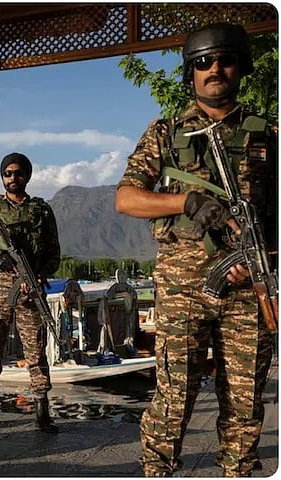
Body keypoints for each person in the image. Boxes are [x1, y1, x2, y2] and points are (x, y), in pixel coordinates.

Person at [115, 23, 277, 477]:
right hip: (182, 289)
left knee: (245, 404)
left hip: (248, 292)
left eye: (225, 60)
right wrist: (185, 201)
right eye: (203, 62)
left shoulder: (269, 135)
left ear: (240, 67)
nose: (214, 69)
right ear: (191, 73)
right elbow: (126, 198)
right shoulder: (166, 134)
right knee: (174, 398)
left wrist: (266, 261)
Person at [0, 152, 61, 433]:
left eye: (18, 173)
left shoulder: (41, 210)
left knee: (35, 348)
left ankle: (42, 407)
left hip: (30, 289)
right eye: (7, 173)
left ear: (27, 176)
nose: (12, 178)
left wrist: (39, 275)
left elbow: (53, 252)